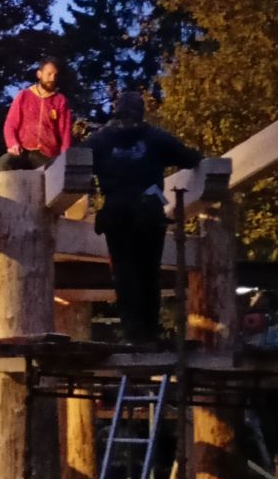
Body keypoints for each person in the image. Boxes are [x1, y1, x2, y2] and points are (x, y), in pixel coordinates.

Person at [86, 89, 204, 342]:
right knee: (148, 272)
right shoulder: (155, 137)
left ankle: (134, 332)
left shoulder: (100, 140)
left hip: (117, 213)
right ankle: (149, 332)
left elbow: (73, 161)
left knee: (124, 274)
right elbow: (190, 158)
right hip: (148, 212)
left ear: (116, 111)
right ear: (141, 112)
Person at [0, 58, 71, 172]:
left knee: (51, 175)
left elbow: (65, 133)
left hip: (47, 154)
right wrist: (13, 144)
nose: (52, 78)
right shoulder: (24, 96)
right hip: (22, 151)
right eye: (49, 74)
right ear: (39, 74)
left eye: (55, 75)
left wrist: (64, 157)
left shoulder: (60, 100)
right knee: (4, 163)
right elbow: (10, 124)